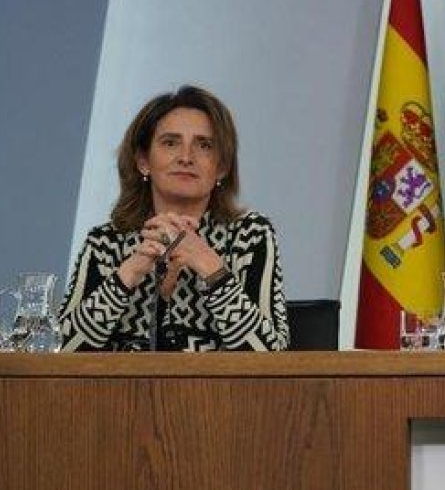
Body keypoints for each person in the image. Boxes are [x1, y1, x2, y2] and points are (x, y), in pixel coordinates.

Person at [59, 85, 289, 351]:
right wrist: (129, 272)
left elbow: (270, 357)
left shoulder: (250, 234)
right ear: (143, 160)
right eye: (170, 143)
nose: (185, 157)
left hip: (216, 392)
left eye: (204, 145)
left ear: (222, 167)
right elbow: (62, 353)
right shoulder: (106, 242)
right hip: (119, 392)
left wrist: (208, 264)